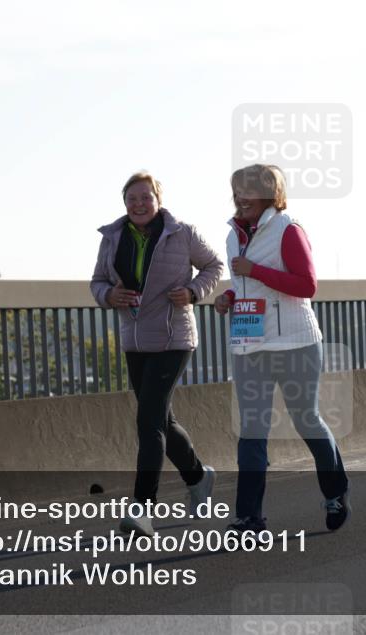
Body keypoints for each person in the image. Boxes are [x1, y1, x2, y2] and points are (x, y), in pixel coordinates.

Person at [215, 164, 350, 533]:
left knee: (307, 420)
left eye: (246, 191)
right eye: (235, 191)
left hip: (295, 342)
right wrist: (228, 296)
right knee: (252, 430)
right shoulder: (232, 236)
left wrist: (254, 270)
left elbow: (307, 285)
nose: (239, 199)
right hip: (250, 346)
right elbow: (244, 285)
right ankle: (249, 518)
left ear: (268, 193)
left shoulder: (287, 229)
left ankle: (336, 492)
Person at [90, 171, 223, 536]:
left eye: (146, 197)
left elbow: (214, 266)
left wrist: (194, 292)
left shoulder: (182, 233)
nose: (139, 203)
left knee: (148, 422)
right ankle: (198, 477)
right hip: (135, 339)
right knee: (161, 420)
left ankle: (143, 509)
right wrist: (108, 296)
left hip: (174, 338)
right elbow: (97, 281)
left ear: (158, 200)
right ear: (125, 203)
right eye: (132, 198)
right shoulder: (113, 237)